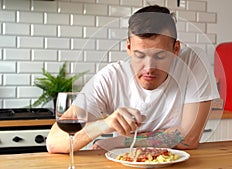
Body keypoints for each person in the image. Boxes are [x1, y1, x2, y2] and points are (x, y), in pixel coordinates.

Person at [46, 5, 219, 154]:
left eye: (160, 55)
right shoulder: (111, 77)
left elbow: (189, 138)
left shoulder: (192, 62)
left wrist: (119, 142)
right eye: (140, 55)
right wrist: (103, 125)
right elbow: (54, 141)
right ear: (128, 47)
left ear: (176, 49)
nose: (149, 67)